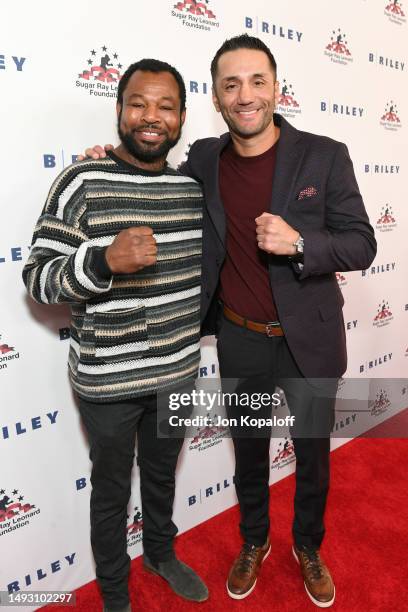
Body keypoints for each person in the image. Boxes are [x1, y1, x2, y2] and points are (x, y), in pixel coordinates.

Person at [83, 34, 377, 608]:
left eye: (256, 81)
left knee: (312, 452)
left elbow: (361, 244)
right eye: (230, 84)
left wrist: (300, 244)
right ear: (216, 99)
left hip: (309, 341)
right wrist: (104, 160)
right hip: (241, 337)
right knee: (248, 451)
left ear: (276, 87)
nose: (245, 95)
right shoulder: (205, 160)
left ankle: (309, 547)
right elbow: (148, 169)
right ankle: (253, 541)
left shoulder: (325, 154)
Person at [23, 58, 208, 612]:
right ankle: (113, 591)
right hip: (108, 380)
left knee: (161, 475)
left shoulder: (191, 190)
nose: (151, 117)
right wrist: (102, 260)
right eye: (139, 104)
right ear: (119, 110)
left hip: (177, 369)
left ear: (180, 118)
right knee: (109, 491)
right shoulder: (82, 180)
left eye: (166, 107)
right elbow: (37, 277)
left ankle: (159, 552)